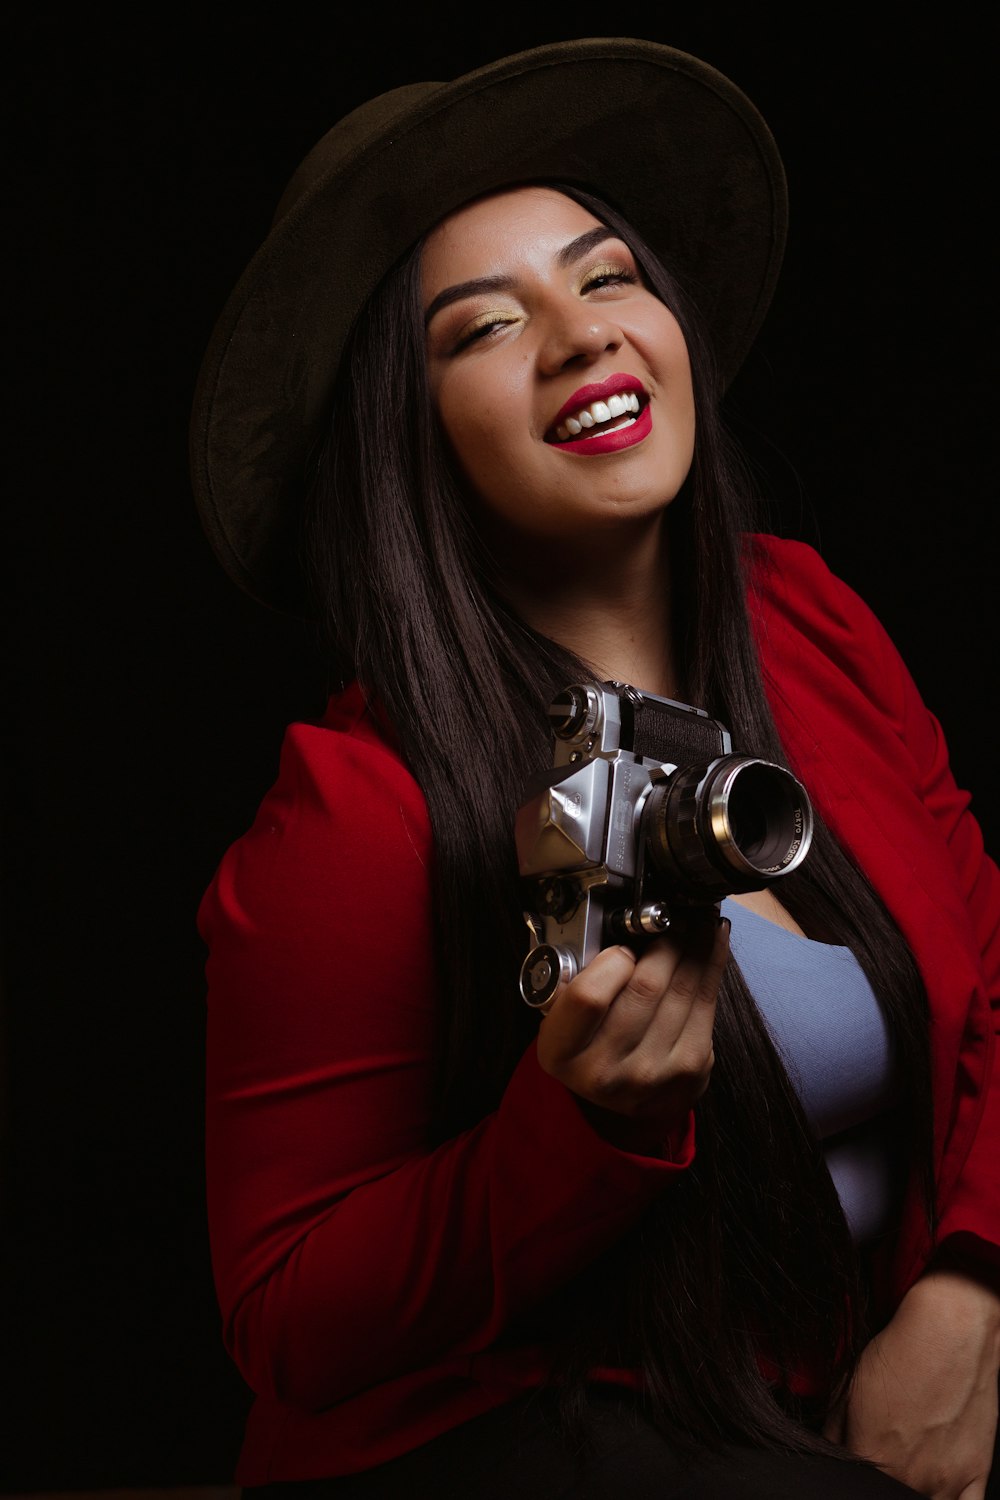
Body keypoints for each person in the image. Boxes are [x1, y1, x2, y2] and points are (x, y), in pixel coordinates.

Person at [190, 38, 1000, 1500]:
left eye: (608, 275)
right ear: (411, 437)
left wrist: (966, 1288)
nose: (582, 336)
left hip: (850, 1398)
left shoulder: (807, 622)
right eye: (485, 327)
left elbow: (991, 972)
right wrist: (574, 1134)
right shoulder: (357, 809)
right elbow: (285, 1312)